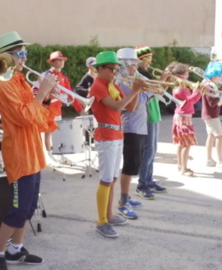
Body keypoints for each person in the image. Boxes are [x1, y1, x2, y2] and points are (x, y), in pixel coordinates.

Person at [0, 31, 58, 270]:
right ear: (5, 57)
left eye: (25, 53)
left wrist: (45, 98)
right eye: (21, 54)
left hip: (32, 151)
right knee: (17, 210)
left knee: (29, 208)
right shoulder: (2, 85)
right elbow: (24, 117)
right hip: (19, 154)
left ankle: (15, 250)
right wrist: (40, 94)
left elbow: (37, 116)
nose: (24, 59)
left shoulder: (20, 81)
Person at [89, 51, 144, 238]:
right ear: (100, 69)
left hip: (117, 134)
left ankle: (110, 216)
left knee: (112, 179)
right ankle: (101, 221)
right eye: (112, 69)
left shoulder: (111, 84)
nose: (115, 72)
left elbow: (130, 107)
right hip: (106, 135)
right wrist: (135, 90)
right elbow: (115, 107)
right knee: (106, 180)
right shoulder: (98, 85)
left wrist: (138, 91)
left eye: (116, 69)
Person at [33, 51, 86, 161]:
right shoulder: (45, 75)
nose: (62, 62)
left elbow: (70, 94)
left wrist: (80, 109)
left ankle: (59, 153)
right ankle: (49, 154)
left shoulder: (64, 78)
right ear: (52, 62)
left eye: (63, 60)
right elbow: (35, 91)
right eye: (59, 60)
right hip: (47, 109)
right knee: (48, 132)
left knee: (58, 132)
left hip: (57, 109)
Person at [114, 48, 148, 219]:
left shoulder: (130, 81)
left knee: (134, 165)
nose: (136, 67)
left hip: (139, 127)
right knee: (129, 166)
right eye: (133, 64)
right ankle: (123, 202)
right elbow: (134, 105)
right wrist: (147, 91)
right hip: (131, 128)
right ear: (124, 65)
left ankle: (125, 196)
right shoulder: (123, 83)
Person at [135, 45, 167, 194]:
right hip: (147, 114)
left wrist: (163, 82)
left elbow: (159, 92)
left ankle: (149, 180)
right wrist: (162, 79)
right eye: (148, 59)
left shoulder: (146, 73)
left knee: (153, 150)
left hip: (154, 114)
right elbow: (152, 89)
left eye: (150, 58)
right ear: (139, 59)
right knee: (148, 150)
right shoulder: (140, 75)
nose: (150, 62)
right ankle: (142, 184)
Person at [170, 62, 202, 177]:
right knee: (186, 144)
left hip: (184, 115)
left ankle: (180, 165)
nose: (187, 76)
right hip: (183, 117)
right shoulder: (179, 89)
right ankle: (184, 168)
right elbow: (189, 100)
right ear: (180, 75)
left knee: (181, 143)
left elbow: (193, 100)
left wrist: (199, 92)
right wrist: (197, 91)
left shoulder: (183, 87)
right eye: (186, 74)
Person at [201, 61, 222, 169]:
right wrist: (221, 95)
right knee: (220, 136)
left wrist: (220, 92)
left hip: (209, 114)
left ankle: (209, 160)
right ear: (213, 75)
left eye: (221, 75)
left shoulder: (209, 84)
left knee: (211, 136)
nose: (220, 78)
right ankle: (220, 161)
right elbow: (212, 102)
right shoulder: (210, 86)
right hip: (211, 115)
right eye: (219, 75)